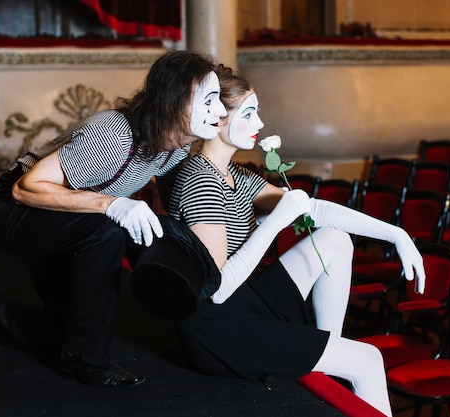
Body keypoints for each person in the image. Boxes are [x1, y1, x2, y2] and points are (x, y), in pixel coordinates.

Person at [165, 65, 425, 416]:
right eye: (249, 114)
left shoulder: (234, 174)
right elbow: (218, 289)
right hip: (218, 330)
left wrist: (397, 234)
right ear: (219, 120)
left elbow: (316, 211)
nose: (259, 124)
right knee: (368, 359)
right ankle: (335, 360)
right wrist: (275, 224)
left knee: (335, 238)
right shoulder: (201, 181)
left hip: (243, 304)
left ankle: (326, 355)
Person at [0, 51, 227, 388]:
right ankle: (88, 362)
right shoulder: (113, 135)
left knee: (64, 331)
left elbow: (181, 211)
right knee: (109, 230)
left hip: (71, 220)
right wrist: (112, 205)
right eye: (210, 100)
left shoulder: (175, 146)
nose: (220, 111)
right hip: (15, 210)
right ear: (172, 102)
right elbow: (25, 189)